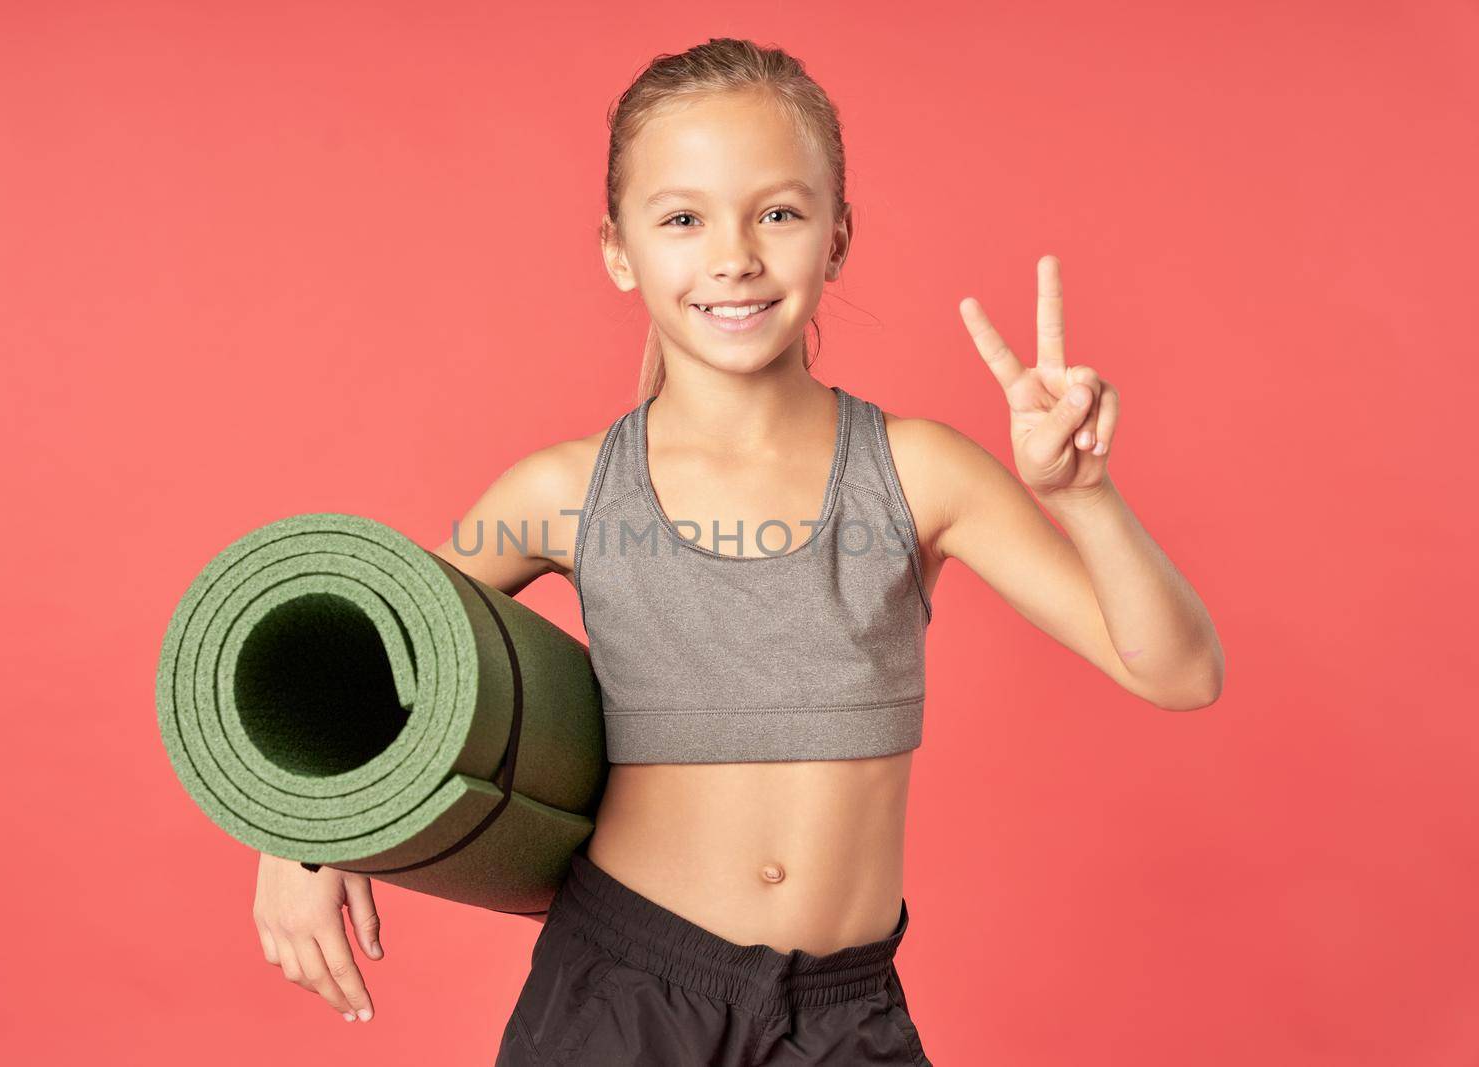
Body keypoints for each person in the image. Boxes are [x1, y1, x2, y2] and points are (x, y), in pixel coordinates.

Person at [250, 37, 1224, 1065]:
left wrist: (1086, 495)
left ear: (837, 236)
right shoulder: (564, 495)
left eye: (779, 213)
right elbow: (356, 670)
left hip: (845, 1010)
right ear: (618, 249)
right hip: (621, 995)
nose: (733, 256)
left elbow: (1179, 671)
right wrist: (293, 833)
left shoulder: (921, 473)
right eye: (682, 219)